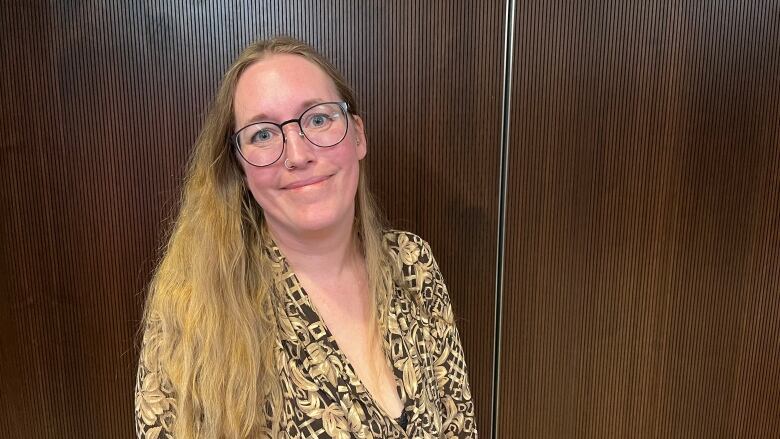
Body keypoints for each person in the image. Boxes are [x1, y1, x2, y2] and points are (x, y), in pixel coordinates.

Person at [134, 36, 477, 438]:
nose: (297, 155)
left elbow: (460, 423)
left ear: (358, 136)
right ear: (240, 168)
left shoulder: (413, 262)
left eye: (318, 118)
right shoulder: (194, 306)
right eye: (262, 134)